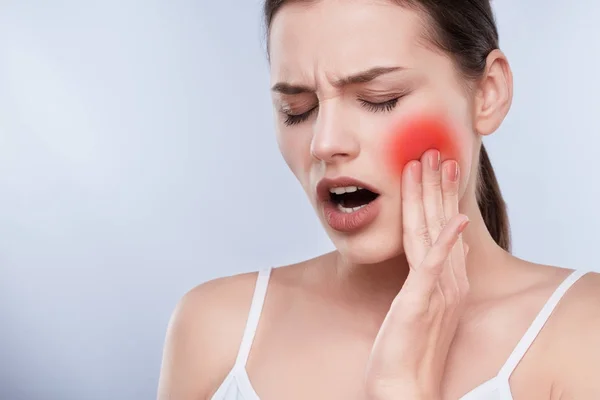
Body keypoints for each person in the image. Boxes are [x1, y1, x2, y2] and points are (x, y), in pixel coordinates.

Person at [157, 1, 600, 399]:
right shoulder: (215, 329)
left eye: (379, 100)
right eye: (298, 109)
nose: (325, 144)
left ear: (488, 94)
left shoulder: (582, 334)